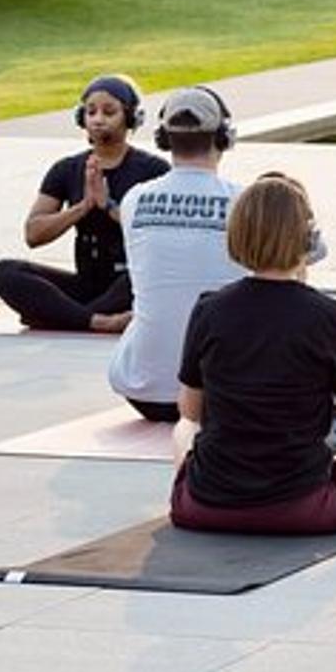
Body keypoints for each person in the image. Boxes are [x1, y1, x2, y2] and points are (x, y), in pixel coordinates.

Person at [171, 174, 336, 534]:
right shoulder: (328, 315)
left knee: (184, 429)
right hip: (303, 508)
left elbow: (190, 410)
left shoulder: (208, 309)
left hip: (203, 506)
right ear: (308, 239)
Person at [0, 74, 169, 332]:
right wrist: (82, 207)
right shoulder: (67, 169)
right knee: (6, 271)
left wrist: (109, 206)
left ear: (130, 118)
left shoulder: (153, 169)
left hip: (128, 280)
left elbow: (161, 235)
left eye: (109, 112)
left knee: (151, 277)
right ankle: (94, 320)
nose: (98, 119)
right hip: (85, 282)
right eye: (91, 111)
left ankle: (62, 316)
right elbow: (33, 234)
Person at [110, 87, 243, 422]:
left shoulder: (134, 199)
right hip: (219, 395)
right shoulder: (245, 202)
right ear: (225, 137)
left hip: (142, 389)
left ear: (163, 139)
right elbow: (307, 255)